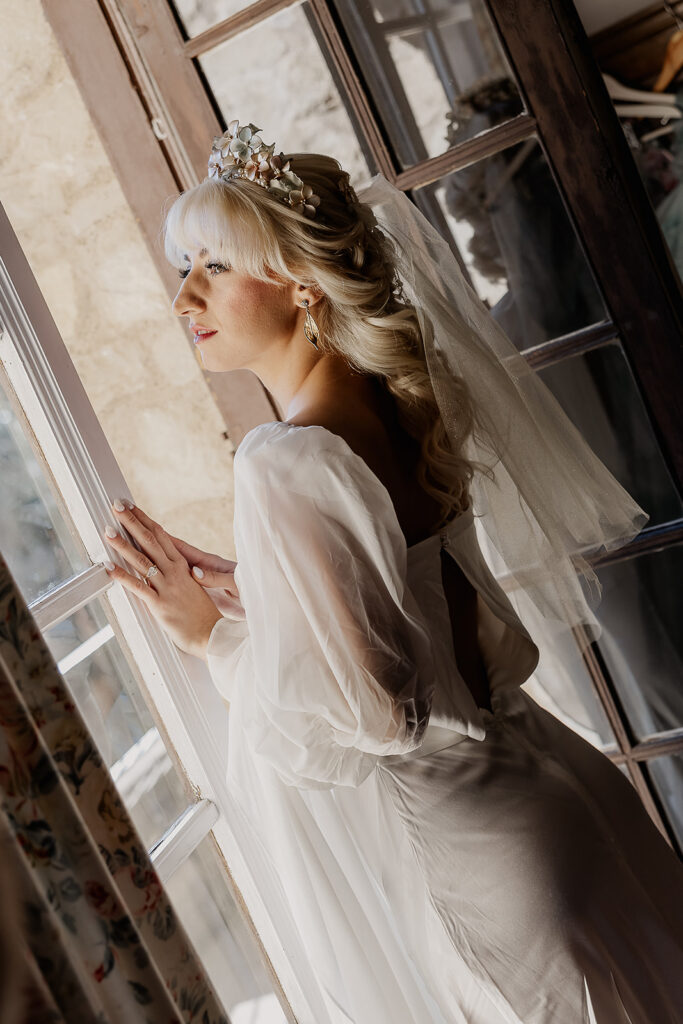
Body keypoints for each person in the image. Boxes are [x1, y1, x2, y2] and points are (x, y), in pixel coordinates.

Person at [103, 121, 683, 1023]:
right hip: (565, 786)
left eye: (211, 267)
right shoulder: (400, 402)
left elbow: (383, 712)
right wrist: (277, 598)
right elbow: (416, 603)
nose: (184, 298)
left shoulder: (282, 460)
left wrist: (219, 641)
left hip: (487, 853)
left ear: (298, 280)